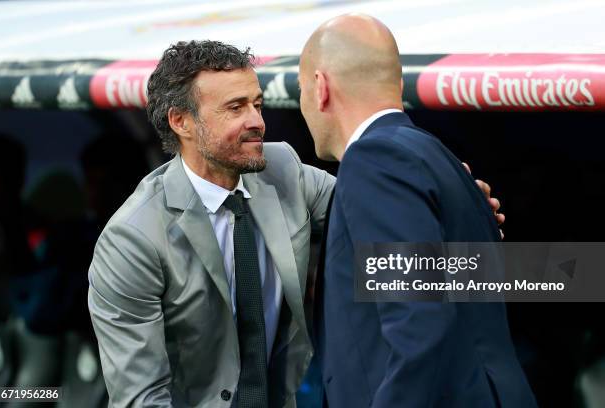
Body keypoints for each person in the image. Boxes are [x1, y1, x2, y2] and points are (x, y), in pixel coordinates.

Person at [88, 40, 502, 407]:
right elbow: (141, 398)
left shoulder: (283, 167)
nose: (257, 121)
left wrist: (453, 202)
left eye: (257, 103)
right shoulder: (132, 240)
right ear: (182, 122)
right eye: (236, 108)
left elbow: (381, 209)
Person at [298, 14, 538, 408]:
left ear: (320, 88)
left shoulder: (373, 160)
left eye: (304, 91)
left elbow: (419, 323)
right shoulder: (433, 156)